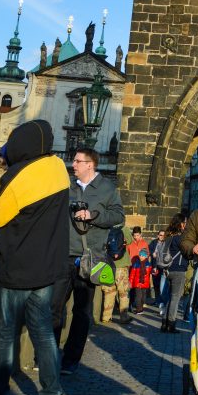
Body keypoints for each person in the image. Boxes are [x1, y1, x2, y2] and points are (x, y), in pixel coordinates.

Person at [0, 119, 70, 395]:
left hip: (16, 270)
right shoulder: (58, 169)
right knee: (43, 333)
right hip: (46, 271)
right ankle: (52, 391)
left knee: (2, 333)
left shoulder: (19, 175)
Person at [51, 147, 124, 374]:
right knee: (54, 307)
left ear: (90, 164)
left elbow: (119, 216)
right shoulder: (68, 187)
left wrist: (94, 215)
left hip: (89, 258)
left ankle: (71, 360)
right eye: (74, 161)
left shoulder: (106, 188)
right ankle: (50, 354)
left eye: (77, 161)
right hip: (64, 255)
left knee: (82, 312)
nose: (73, 164)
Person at [161, 211, 189, 332]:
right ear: (181, 224)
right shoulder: (180, 238)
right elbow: (188, 252)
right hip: (179, 270)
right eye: (185, 222)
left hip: (168, 269)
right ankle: (171, 324)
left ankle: (164, 323)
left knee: (169, 298)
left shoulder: (169, 236)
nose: (186, 225)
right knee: (175, 299)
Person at [100, 224, 133, 324]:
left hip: (108, 265)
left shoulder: (105, 227)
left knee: (109, 292)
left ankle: (106, 317)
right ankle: (124, 317)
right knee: (123, 293)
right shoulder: (124, 228)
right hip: (121, 266)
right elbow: (130, 241)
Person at [127, 225, 151, 313]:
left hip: (140, 269)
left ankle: (138, 303)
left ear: (140, 234)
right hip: (131, 267)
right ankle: (130, 303)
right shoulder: (130, 243)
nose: (136, 237)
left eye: (137, 235)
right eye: (134, 235)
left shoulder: (144, 243)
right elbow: (127, 254)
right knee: (131, 286)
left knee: (139, 288)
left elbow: (147, 255)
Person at [149, 229, 167, 307]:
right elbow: (149, 249)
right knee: (156, 284)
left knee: (162, 285)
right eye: (160, 235)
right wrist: (152, 252)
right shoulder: (153, 243)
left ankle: (163, 301)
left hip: (163, 267)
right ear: (158, 235)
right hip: (155, 266)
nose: (162, 237)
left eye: (163, 235)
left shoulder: (166, 243)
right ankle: (157, 301)